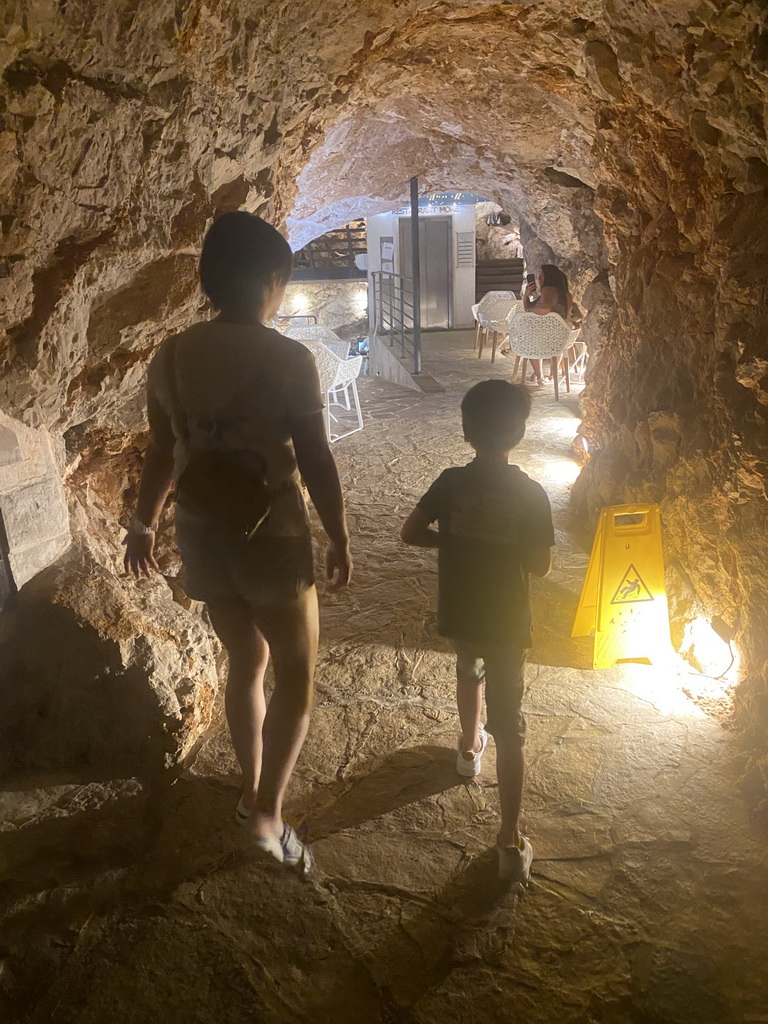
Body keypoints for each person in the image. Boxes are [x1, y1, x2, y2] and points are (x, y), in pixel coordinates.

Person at [124, 211, 351, 874]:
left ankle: (248, 789)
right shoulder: (288, 358)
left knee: (244, 662)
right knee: (297, 673)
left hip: (203, 534)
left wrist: (143, 525)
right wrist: (337, 533)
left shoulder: (169, 357)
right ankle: (268, 815)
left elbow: (162, 453)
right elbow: (315, 457)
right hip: (272, 537)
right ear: (272, 281)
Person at [400, 380, 554, 884]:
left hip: (462, 611)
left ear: (466, 431)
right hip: (508, 619)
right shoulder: (530, 492)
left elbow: (410, 532)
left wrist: (456, 543)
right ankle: (509, 839)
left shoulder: (449, 482)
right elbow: (541, 565)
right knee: (510, 725)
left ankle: (467, 748)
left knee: (468, 670)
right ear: (520, 432)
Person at [521, 264, 583, 383]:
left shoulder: (548, 290)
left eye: (542, 275)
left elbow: (543, 309)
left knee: (529, 341)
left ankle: (540, 377)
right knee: (553, 344)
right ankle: (552, 374)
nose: (539, 278)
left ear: (549, 277)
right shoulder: (566, 294)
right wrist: (527, 296)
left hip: (546, 335)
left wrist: (529, 306)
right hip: (561, 337)